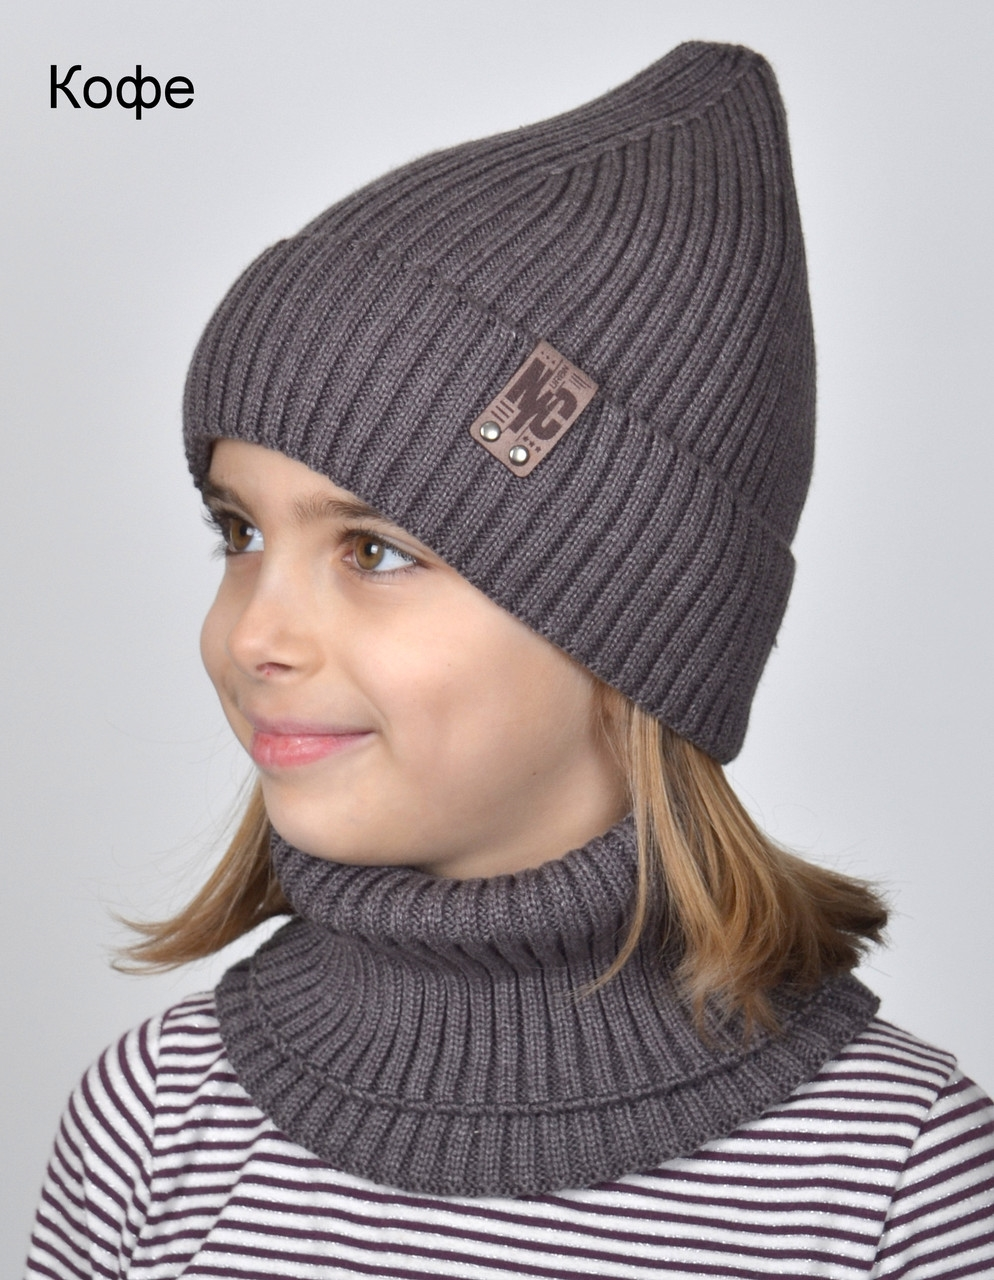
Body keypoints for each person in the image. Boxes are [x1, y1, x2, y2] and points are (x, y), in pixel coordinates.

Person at [24, 40, 994, 1279]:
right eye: (239, 532)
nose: (252, 633)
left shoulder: (885, 1179)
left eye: (375, 550)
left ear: (637, 620)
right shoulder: (156, 1120)